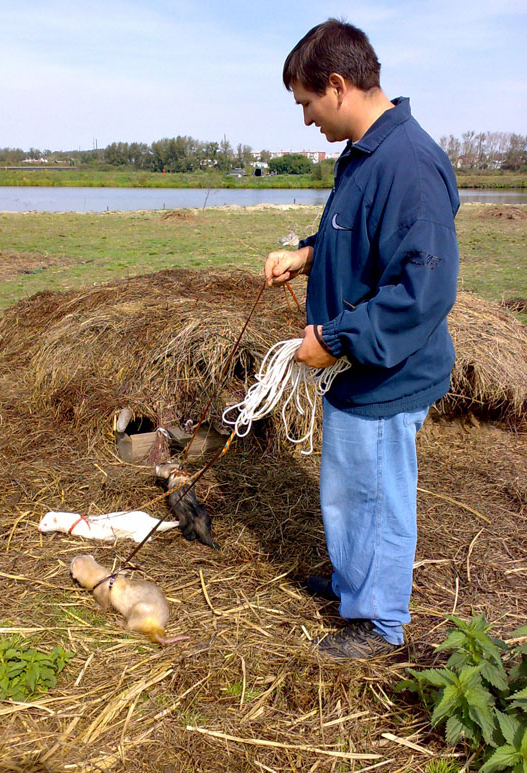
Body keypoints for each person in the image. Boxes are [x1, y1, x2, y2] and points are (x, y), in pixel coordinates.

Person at [264, 19, 459, 660]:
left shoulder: (410, 164)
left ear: (339, 86)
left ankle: (378, 622)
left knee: (374, 491)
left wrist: (339, 342)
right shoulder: (369, 154)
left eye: (307, 103)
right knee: (351, 486)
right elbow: (361, 237)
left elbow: (421, 292)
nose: (306, 120)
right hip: (360, 367)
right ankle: (355, 583)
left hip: (384, 371)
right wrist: (307, 253)